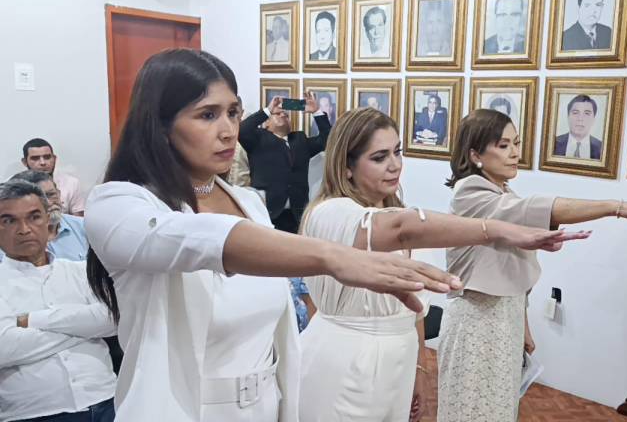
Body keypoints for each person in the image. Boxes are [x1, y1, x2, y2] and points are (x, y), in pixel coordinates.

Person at [84, 49, 464, 421]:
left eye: (234, 112)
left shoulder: (249, 202)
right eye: (207, 115)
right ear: (161, 125)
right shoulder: (118, 204)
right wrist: (332, 257)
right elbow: (193, 239)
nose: (228, 130)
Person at [297, 107, 588, 422]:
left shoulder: (398, 209)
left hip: (397, 360)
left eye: (397, 152)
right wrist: (496, 229)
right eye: (379, 157)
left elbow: (415, 310)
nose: (395, 165)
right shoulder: (330, 213)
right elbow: (400, 227)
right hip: (346, 359)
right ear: (347, 166)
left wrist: (419, 371)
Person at [439, 109, 627, 422]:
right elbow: (539, 207)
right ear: (475, 154)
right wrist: (615, 207)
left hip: (503, 317)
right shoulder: (470, 191)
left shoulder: (502, 191)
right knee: (472, 408)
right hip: (478, 321)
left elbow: (511, 270)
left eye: (516, 143)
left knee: (497, 407)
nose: (514, 153)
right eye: (503, 145)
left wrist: (522, 325)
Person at [0, 180, 117, 422]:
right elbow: (4, 348)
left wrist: (31, 320)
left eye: (34, 217)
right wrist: (84, 329)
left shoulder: (82, 271)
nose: (24, 229)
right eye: (8, 220)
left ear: (49, 222)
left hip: (108, 401)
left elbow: (111, 320)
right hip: (36, 413)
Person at [239, 92, 330, 234]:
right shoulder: (258, 139)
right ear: (266, 123)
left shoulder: (299, 139)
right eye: (277, 114)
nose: (283, 115)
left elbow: (327, 140)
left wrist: (316, 111)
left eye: (286, 115)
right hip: (267, 211)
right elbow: (241, 130)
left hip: (297, 214)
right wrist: (268, 110)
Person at [9, 170, 88, 261]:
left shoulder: (83, 227)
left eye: (51, 194)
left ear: (59, 194)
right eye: (39, 199)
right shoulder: (8, 240)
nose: (49, 203)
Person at [21, 138, 85, 216]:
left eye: (47, 157)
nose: (43, 162)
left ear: (54, 159)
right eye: (35, 158)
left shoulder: (71, 183)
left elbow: (78, 222)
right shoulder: (13, 185)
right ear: (25, 162)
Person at [553, 94, 603, 160]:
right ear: (568, 116)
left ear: (594, 119)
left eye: (587, 113)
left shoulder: (602, 147)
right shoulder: (553, 143)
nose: (580, 118)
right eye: (575, 113)